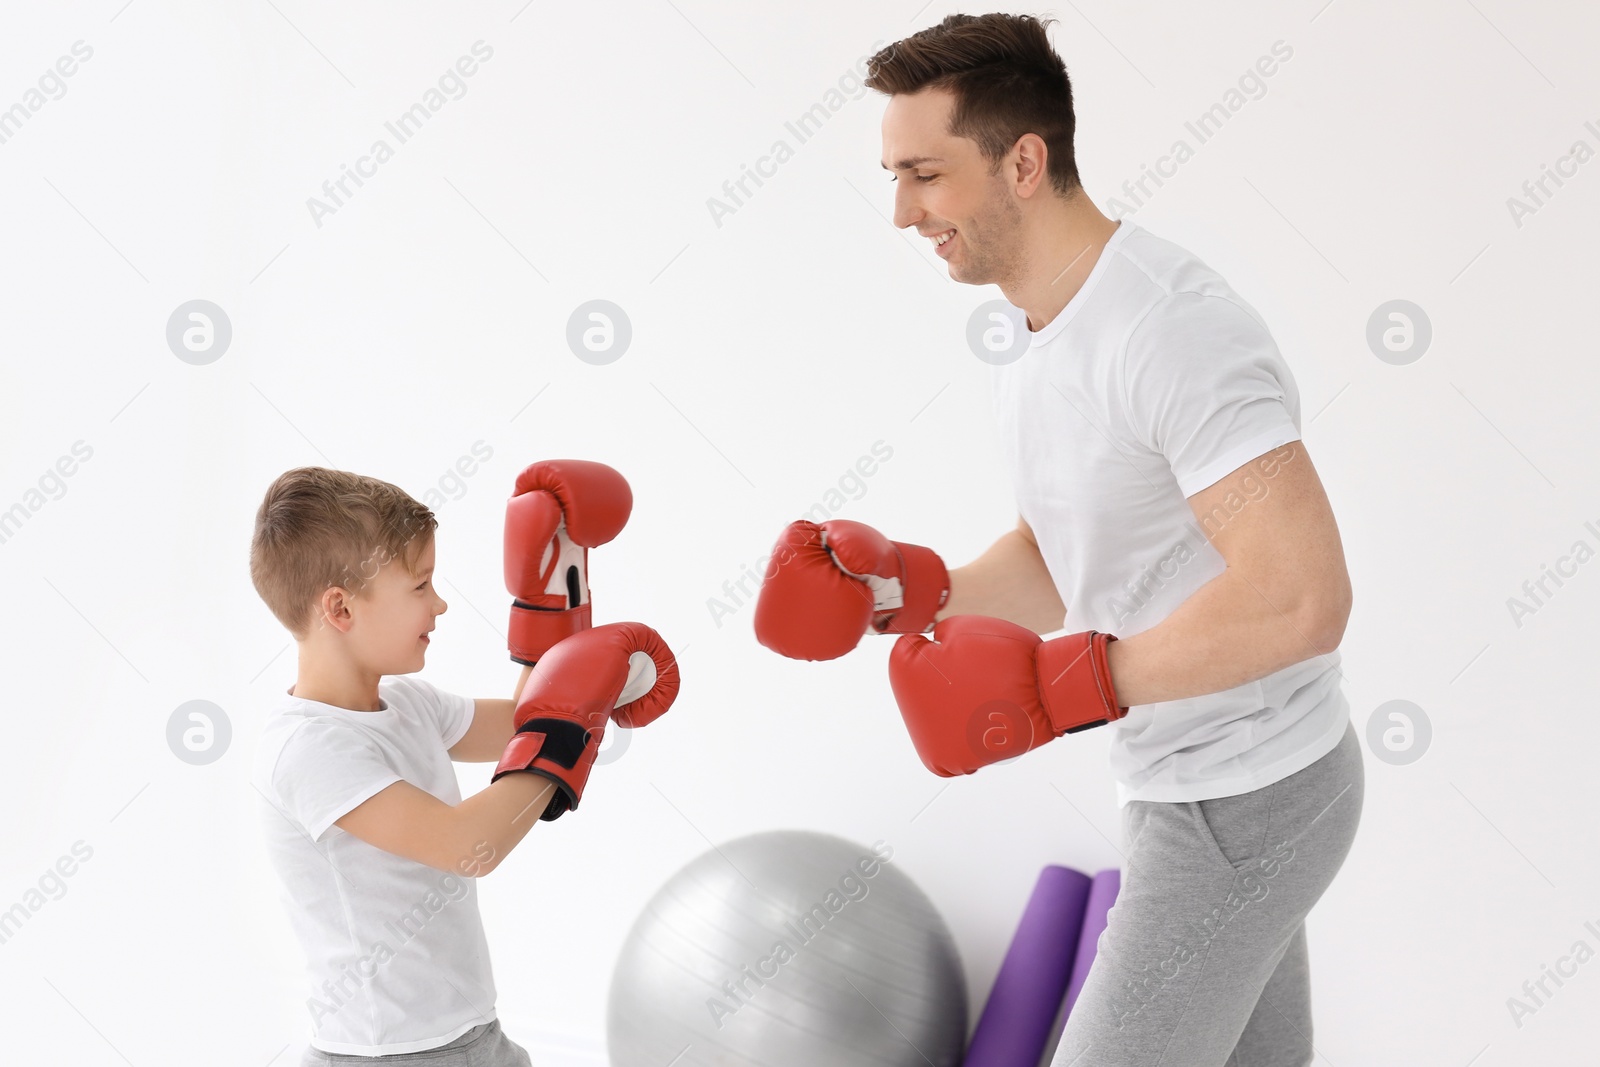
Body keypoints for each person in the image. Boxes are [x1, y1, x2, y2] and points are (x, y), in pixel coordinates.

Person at [754, 13, 1362, 1066]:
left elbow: (1301, 597)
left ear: (1023, 161)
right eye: (893, 178)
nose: (902, 212)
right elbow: (1056, 558)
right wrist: (906, 592)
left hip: (1247, 789)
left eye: (925, 175)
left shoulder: (1172, 331)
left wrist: (1063, 688)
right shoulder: (1037, 336)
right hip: (1190, 780)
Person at [249, 461, 677, 1064]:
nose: (441, 604)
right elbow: (469, 845)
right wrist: (568, 724)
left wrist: (557, 592)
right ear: (341, 610)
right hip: (385, 1055)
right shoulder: (310, 749)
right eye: (420, 586)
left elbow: (531, 720)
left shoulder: (408, 705)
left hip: (475, 1035)